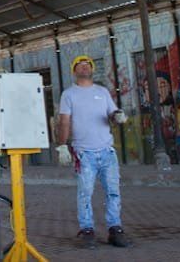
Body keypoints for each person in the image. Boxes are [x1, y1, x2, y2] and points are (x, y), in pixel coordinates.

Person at [57, 55, 130, 249]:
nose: (84, 68)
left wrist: (118, 116)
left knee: (113, 192)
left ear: (91, 69)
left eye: (87, 65)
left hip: (107, 151)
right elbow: (64, 121)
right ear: (74, 71)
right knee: (85, 193)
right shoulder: (68, 94)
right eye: (79, 66)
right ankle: (87, 230)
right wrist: (62, 145)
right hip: (84, 154)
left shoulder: (103, 91)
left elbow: (111, 114)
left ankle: (115, 229)